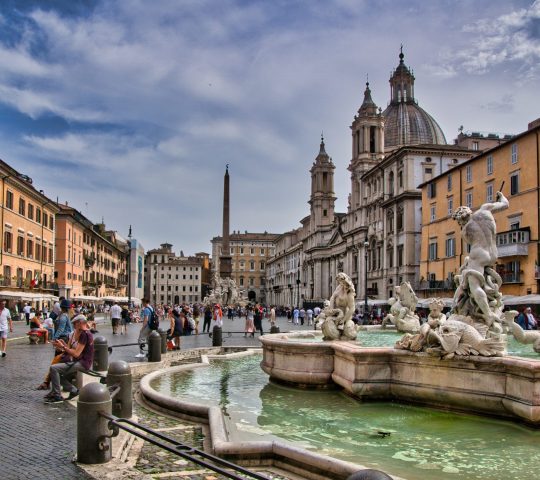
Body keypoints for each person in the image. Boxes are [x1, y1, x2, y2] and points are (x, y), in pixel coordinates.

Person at [452, 191, 509, 326]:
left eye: (459, 222)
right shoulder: (485, 209)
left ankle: (488, 314)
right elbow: (505, 204)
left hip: (479, 254)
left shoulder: (464, 231)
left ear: (460, 220)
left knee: (474, 285)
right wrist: (501, 196)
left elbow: (471, 242)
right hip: (493, 254)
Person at [44, 314, 95, 403]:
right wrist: (62, 345)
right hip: (79, 360)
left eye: (74, 324)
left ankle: (57, 395)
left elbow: (76, 353)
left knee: (54, 368)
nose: (73, 326)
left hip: (83, 363)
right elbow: (71, 350)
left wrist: (63, 347)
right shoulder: (84, 333)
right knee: (55, 371)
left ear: (79, 323)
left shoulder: (85, 334)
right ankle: (73, 390)